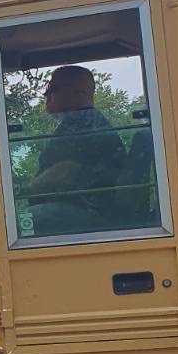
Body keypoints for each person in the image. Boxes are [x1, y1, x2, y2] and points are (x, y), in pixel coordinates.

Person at [24, 64, 126, 230]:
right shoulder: (85, 122)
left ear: (80, 93)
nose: (47, 95)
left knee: (18, 224)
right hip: (86, 207)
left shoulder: (83, 123)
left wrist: (24, 190)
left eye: (53, 89)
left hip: (91, 210)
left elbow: (64, 170)